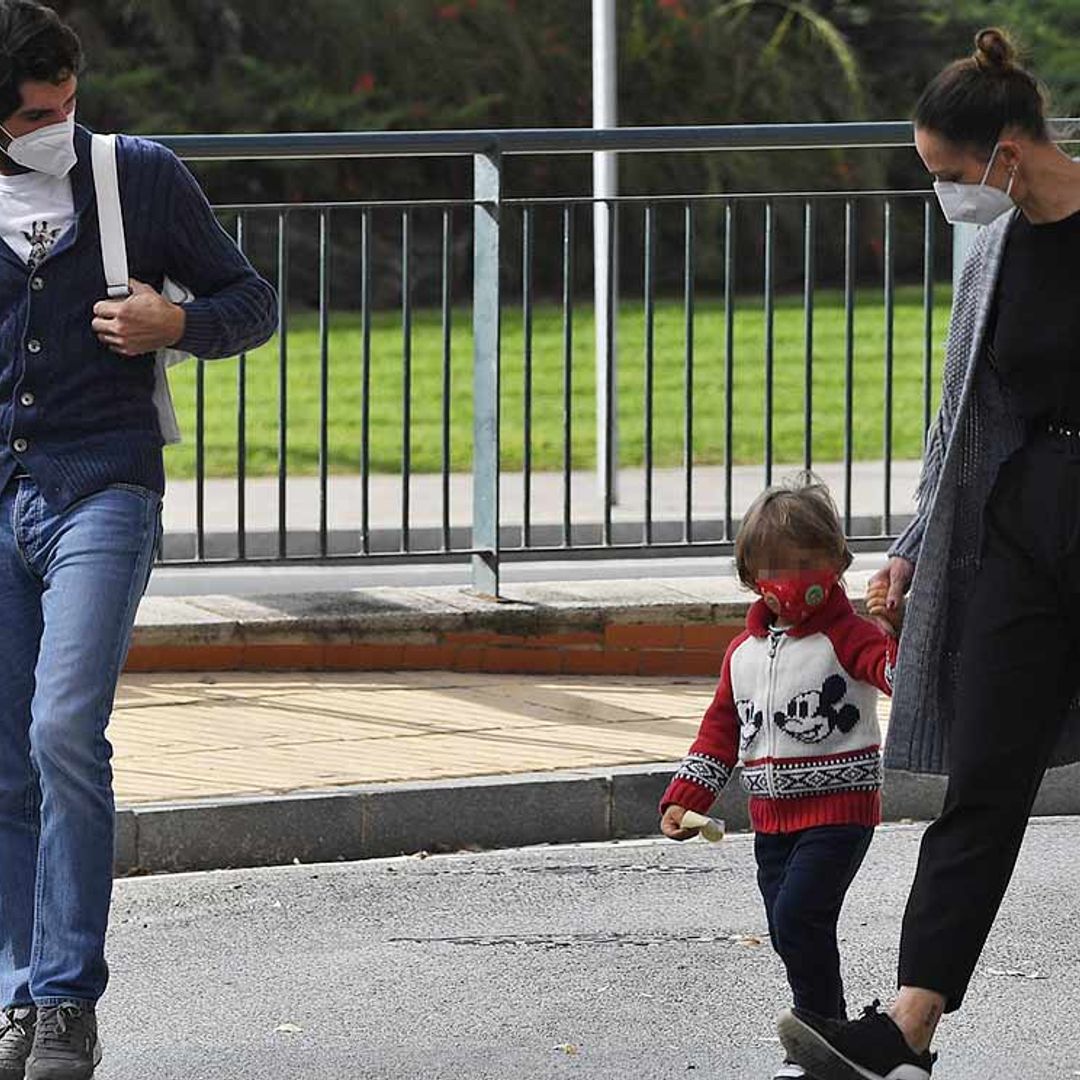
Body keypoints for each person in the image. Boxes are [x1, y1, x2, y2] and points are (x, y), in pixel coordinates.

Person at [778, 26, 1080, 1080]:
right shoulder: (995, 247)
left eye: (951, 175)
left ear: (1007, 148)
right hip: (1021, 523)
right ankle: (907, 1027)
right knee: (985, 779)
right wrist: (913, 540)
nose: (949, 196)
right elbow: (963, 413)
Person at [0, 2, 277, 1077]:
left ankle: (66, 1000)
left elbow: (252, 300)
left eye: (70, 100)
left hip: (102, 487)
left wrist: (182, 326)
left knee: (64, 727)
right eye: (35, 112)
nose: (60, 123)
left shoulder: (138, 177)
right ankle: (20, 995)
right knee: (4, 764)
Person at [658, 476, 899, 1080]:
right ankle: (830, 1040)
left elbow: (896, 674)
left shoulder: (849, 636)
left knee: (799, 918)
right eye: (773, 567)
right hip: (772, 822)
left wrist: (899, 630)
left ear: (838, 563)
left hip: (839, 814)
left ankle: (817, 1035)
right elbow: (720, 730)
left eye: (806, 563)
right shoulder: (742, 653)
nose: (789, 580)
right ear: (749, 575)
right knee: (789, 930)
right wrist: (686, 796)